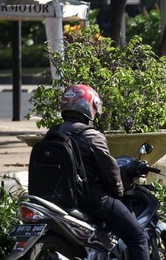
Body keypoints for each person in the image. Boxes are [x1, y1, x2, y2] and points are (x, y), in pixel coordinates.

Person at [58, 84, 149, 260]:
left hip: (60, 197)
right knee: (138, 236)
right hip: (92, 200)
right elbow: (110, 171)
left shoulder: (54, 133)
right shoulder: (91, 135)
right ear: (86, 106)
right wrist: (119, 193)